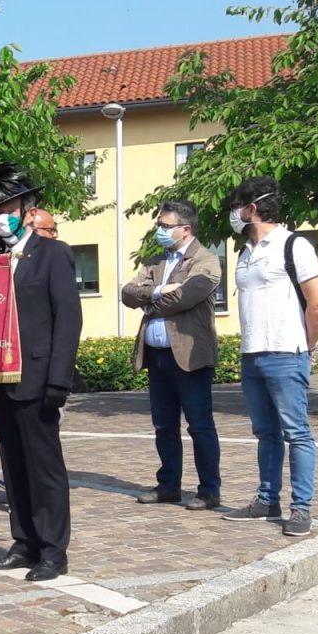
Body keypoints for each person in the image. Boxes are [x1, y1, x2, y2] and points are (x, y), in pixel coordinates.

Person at [0, 164, 82, 581]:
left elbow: (68, 319)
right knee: (12, 466)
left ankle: (52, 550)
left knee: (44, 467)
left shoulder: (53, 254)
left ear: (28, 210)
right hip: (0, 378)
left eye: (6, 208)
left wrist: (59, 379)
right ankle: (24, 541)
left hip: (38, 376)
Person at [221, 176, 318, 537]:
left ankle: (301, 508)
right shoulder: (244, 253)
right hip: (252, 354)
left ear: (252, 209)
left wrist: (306, 347)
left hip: (286, 352)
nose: (233, 214)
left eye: (237, 207)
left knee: (296, 433)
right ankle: (267, 499)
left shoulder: (294, 245)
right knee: (265, 433)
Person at [121, 200, 222, 511]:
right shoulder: (155, 262)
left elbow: (186, 296)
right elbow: (127, 293)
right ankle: (169, 485)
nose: (159, 231)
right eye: (159, 225)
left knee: (199, 425)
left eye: (165, 226)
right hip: (157, 356)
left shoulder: (205, 260)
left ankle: (208, 490)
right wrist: (154, 293)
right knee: (164, 425)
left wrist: (152, 301)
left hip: (190, 357)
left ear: (185, 229)